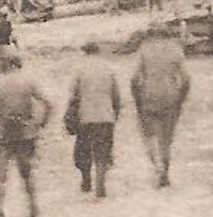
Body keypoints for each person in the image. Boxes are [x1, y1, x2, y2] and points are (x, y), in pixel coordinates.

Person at [0, 44, 53, 217]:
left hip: (0, 134)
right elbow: (48, 103)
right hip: (25, 133)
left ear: (2, 63)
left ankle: (0, 212)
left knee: (0, 175)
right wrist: (40, 123)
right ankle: (33, 207)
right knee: (27, 173)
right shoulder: (28, 81)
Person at [131, 28, 191, 188]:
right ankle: (165, 172)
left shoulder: (144, 51)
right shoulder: (176, 50)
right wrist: (181, 98)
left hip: (149, 95)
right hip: (171, 95)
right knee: (166, 140)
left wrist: (137, 99)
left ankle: (157, 166)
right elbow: (186, 79)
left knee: (149, 136)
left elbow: (134, 79)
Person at [68, 40, 123, 198]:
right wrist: (115, 113)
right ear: (98, 51)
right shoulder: (108, 68)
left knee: (83, 150)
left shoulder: (80, 69)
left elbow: (73, 95)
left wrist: (71, 113)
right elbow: (116, 95)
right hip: (105, 115)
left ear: (85, 52)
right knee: (102, 150)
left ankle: (86, 179)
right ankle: (100, 183)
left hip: (85, 116)